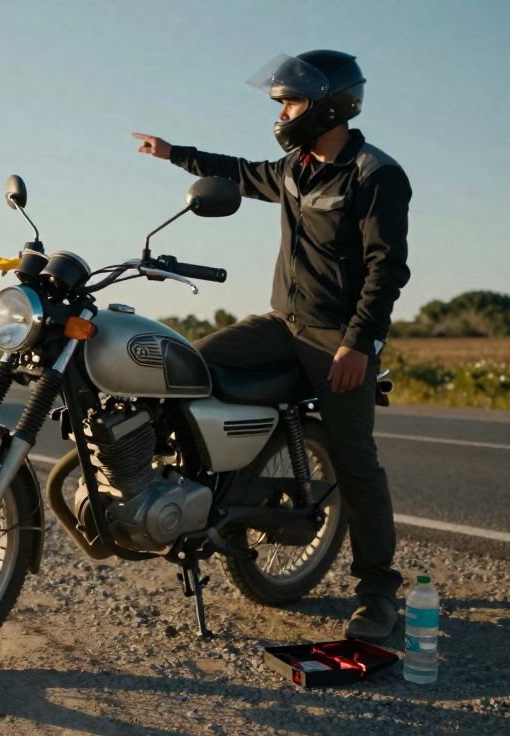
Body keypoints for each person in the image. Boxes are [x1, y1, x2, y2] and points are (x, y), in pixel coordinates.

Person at [132, 49, 411, 640]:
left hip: (338, 336)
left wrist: (359, 344)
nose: (282, 113)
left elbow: (387, 269)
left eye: (290, 101)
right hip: (282, 324)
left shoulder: (375, 174)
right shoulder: (293, 169)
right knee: (186, 366)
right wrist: (173, 153)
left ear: (330, 104)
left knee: (355, 457)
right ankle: (205, 496)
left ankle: (378, 592)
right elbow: (234, 171)